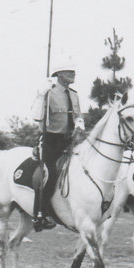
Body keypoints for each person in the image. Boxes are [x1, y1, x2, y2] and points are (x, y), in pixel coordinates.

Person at [30, 63, 84, 231]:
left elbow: (78, 115)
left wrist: (79, 123)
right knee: (50, 173)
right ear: (59, 74)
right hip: (51, 141)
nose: (73, 74)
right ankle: (41, 213)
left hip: (70, 140)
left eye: (74, 71)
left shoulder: (74, 95)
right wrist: (41, 95)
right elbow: (36, 117)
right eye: (69, 72)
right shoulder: (48, 93)